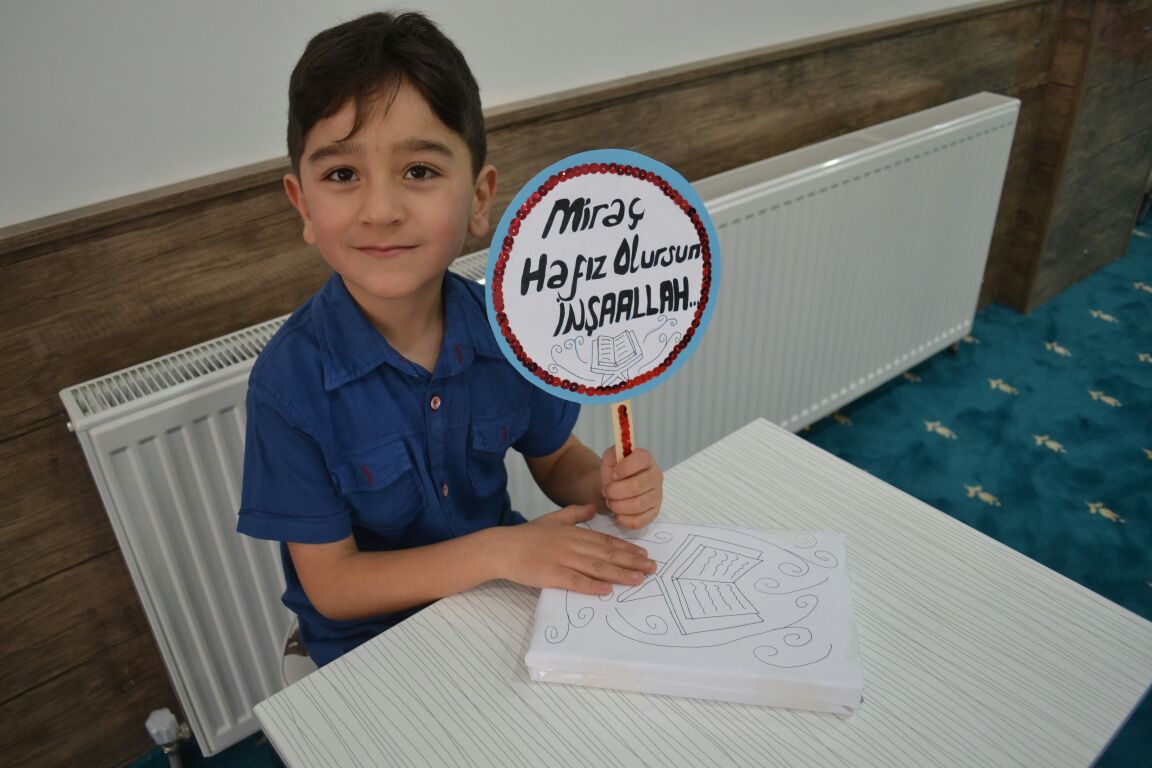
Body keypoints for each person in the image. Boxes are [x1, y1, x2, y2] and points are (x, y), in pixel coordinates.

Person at [237, 11, 663, 667]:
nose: (381, 211)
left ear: (479, 199)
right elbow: (334, 585)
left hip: (498, 608)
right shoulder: (286, 384)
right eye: (342, 175)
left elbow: (556, 461)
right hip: (369, 651)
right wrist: (499, 550)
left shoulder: (509, 327)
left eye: (419, 171)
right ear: (303, 206)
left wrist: (606, 487)